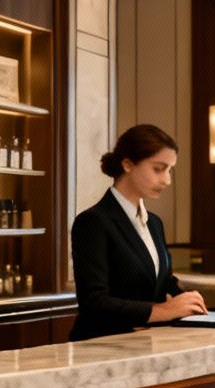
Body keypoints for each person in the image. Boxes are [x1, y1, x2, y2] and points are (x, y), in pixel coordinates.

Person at [68, 124, 207, 342]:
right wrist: (163, 310)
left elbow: (160, 281)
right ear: (127, 164)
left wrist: (188, 299)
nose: (167, 180)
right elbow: (93, 302)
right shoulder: (92, 222)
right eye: (158, 169)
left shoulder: (154, 224)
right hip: (101, 346)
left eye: (169, 170)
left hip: (146, 343)